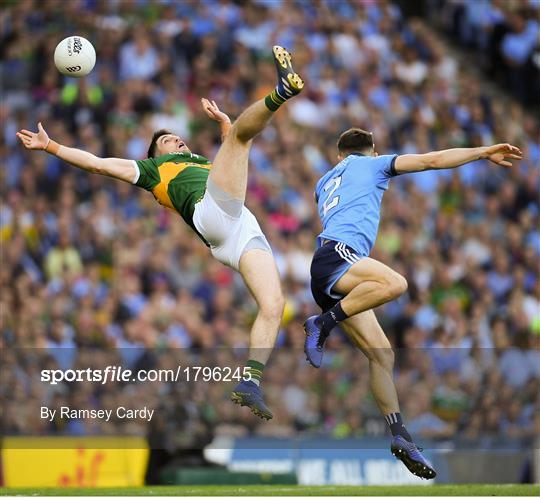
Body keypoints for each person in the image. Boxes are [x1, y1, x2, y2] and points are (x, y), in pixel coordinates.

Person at [16, 46, 304, 421]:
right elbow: (99, 165)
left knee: (274, 305)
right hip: (213, 214)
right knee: (239, 139)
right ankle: (281, 91)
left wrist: (222, 127)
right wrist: (52, 146)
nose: (177, 141)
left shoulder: (199, 161)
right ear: (155, 152)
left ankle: (250, 380)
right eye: (168, 140)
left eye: (178, 138)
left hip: (236, 230)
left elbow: (230, 163)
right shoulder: (153, 169)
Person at [304, 128, 522, 478]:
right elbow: (432, 160)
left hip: (327, 269)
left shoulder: (324, 180)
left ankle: (400, 436)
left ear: (338, 154)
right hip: (340, 256)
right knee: (395, 283)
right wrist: (482, 152)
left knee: (382, 355)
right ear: (372, 152)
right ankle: (322, 324)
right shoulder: (371, 165)